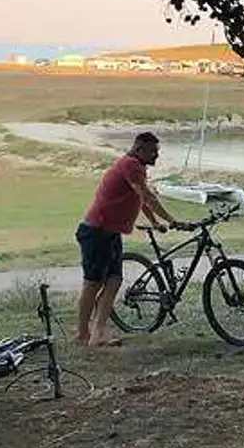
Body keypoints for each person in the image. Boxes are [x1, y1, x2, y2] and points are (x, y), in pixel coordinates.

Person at [75, 132, 185, 347]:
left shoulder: (138, 168)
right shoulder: (130, 164)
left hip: (111, 232)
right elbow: (147, 196)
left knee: (114, 281)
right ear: (139, 149)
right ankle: (82, 333)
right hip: (96, 230)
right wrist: (172, 220)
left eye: (158, 151)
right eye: (153, 151)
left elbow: (140, 199)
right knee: (93, 283)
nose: (157, 155)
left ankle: (99, 333)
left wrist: (154, 223)